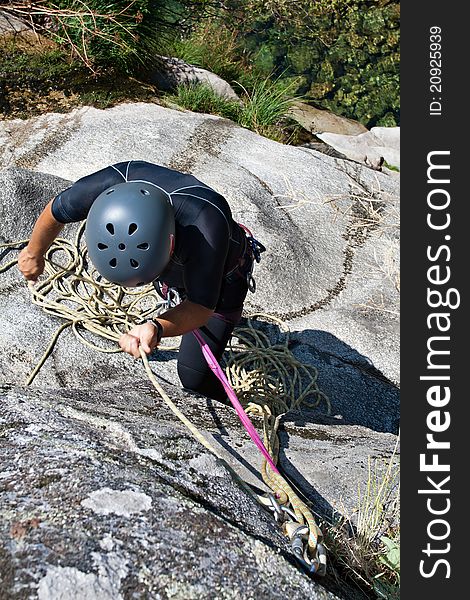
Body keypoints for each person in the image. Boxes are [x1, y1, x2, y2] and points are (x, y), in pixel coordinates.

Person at [18, 160, 265, 401]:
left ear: (168, 244)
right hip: (178, 264)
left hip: (225, 278)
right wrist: (33, 252)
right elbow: (57, 211)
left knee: (194, 378)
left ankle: (236, 414)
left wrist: (155, 327)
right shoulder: (110, 185)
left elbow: (200, 307)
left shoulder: (206, 224)